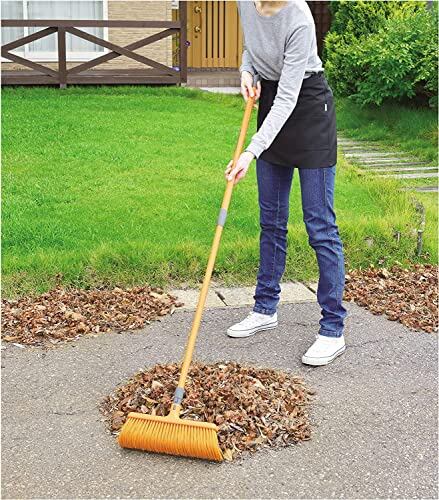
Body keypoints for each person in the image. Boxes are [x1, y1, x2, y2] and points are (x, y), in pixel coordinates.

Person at [225, 0, 347, 366]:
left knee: (320, 226)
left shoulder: (299, 18)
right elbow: (253, 46)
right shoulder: (245, 3)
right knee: (272, 220)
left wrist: (250, 152)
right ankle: (265, 308)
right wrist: (247, 71)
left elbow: (289, 97)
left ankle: (333, 329)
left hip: (307, 108)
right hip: (271, 104)